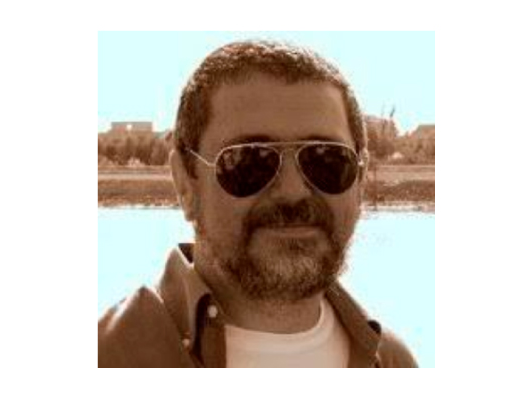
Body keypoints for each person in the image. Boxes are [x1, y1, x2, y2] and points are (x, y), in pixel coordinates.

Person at [98, 40, 418, 368]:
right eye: (249, 161)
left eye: (326, 160)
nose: (293, 192)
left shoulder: (393, 363)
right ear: (185, 184)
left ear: (360, 180)